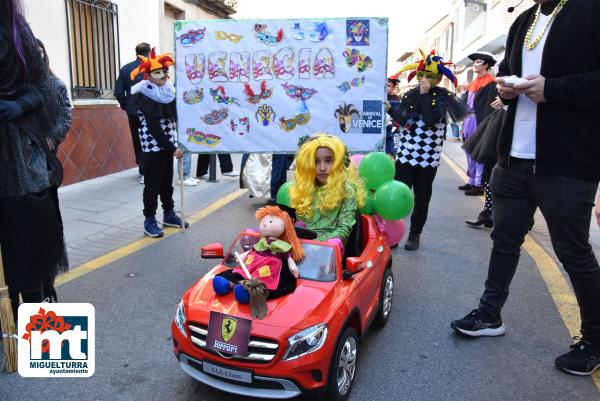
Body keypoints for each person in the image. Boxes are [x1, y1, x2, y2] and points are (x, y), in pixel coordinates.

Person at [450, 0, 600, 376]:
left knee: (573, 252)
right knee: (503, 240)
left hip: (567, 160)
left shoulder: (591, 11)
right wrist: (508, 87)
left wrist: (555, 89)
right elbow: (510, 73)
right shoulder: (523, 21)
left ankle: (595, 340)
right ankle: (489, 313)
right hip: (513, 158)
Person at [0, 0, 68, 317]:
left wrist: (21, 104)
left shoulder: (14, 28)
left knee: (33, 258)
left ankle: (45, 342)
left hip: (23, 168)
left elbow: (44, 86)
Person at [388, 49, 468, 250]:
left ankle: (415, 233)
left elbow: (431, 120)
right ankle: (394, 232)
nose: (423, 79)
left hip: (427, 157)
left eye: (429, 76)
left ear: (439, 78)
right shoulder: (411, 94)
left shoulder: (442, 98)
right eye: (421, 75)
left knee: (422, 197)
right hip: (406, 154)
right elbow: (404, 119)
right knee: (398, 194)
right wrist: (389, 108)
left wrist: (424, 95)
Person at [129, 48, 186, 237]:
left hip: (168, 143)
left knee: (167, 182)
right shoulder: (146, 93)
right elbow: (153, 127)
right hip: (153, 145)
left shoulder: (167, 91)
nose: (163, 75)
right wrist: (172, 148)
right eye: (158, 72)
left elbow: (174, 118)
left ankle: (169, 214)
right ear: (149, 75)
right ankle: (149, 220)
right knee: (153, 185)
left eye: (165, 71)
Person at [289, 133, 365, 252]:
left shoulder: (347, 190)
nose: (322, 167)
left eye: (328, 161)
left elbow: (344, 229)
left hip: (332, 250)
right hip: (303, 247)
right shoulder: (304, 188)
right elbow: (301, 224)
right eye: (316, 161)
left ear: (338, 162)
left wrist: (316, 244)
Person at [458, 51, 498, 197]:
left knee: (479, 152)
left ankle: (479, 183)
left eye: (479, 61)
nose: (475, 64)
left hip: (480, 121)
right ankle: (471, 179)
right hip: (469, 119)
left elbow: (490, 107)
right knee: (469, 151)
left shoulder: (491, 84)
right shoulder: (473, 84)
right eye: (474, 62)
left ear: (486, 65)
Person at [463, 96, 505, 228]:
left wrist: (509, 100)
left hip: (515, 121)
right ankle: (488, 212)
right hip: (501, 118)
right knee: (490, 166)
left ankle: (526, 216)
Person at [115, 42, 150, 184]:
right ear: (148, 53)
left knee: (138, 139)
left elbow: (118, 91)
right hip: (150, 111)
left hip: (134, 111)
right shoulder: (150, 67)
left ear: (136, 52)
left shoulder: (126, 69)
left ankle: (143, 170)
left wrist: (126, 106)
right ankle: (149, 170)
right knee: (150, 138)